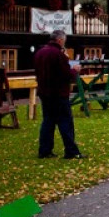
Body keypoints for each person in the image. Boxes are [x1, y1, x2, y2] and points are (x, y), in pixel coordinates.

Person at [34, 30, 85, 160]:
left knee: (48, 122)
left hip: (44, 92)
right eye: (64, 40)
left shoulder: (40, 52)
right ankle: (71, 151)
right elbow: (65, 74)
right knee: (65, 122)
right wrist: (74, 70)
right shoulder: (58, 55)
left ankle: (45, 151)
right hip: (58, 93)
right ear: (60, 40)